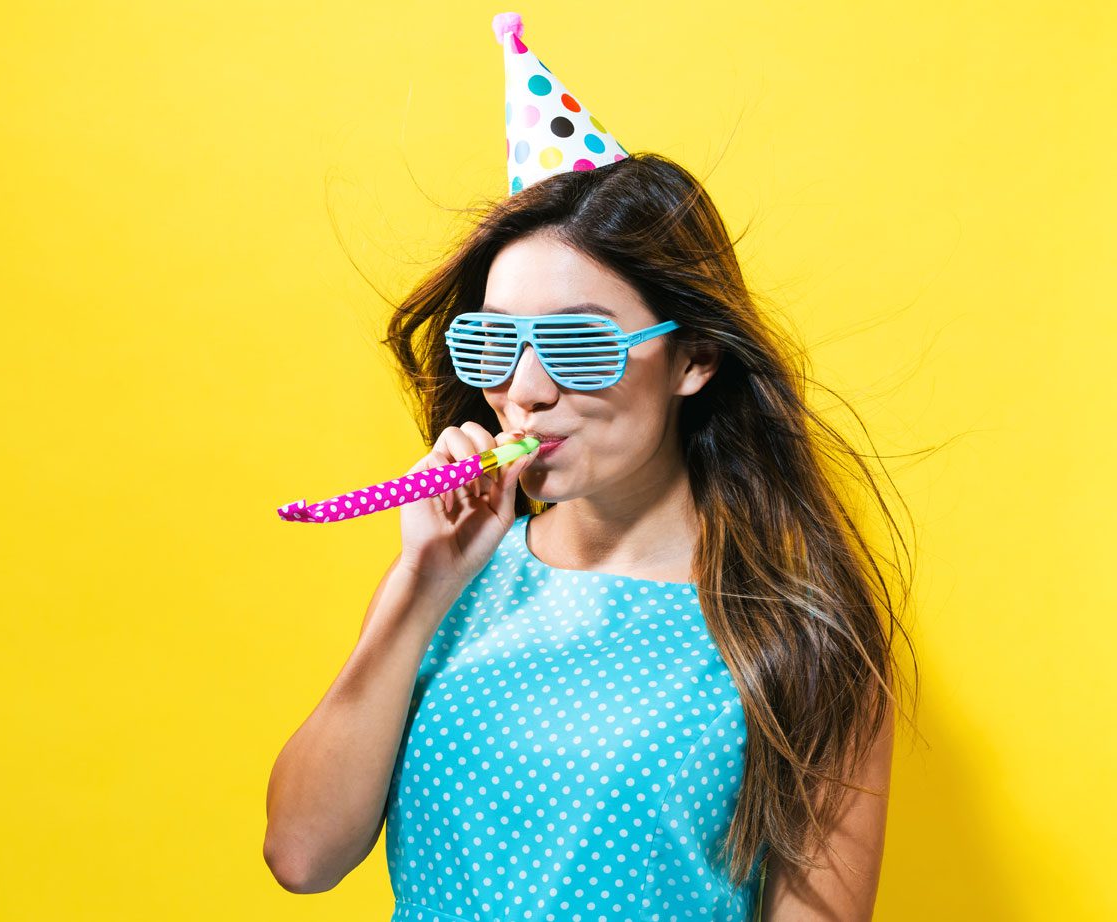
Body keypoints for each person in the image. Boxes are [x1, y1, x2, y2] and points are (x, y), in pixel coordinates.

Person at [266, 15, 918, 922]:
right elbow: (301, 855)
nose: (523, 391)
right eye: (495, 341)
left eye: (575, 343)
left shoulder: (804, 641)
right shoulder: (444, 582)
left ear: (693, 357)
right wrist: (419, 587)